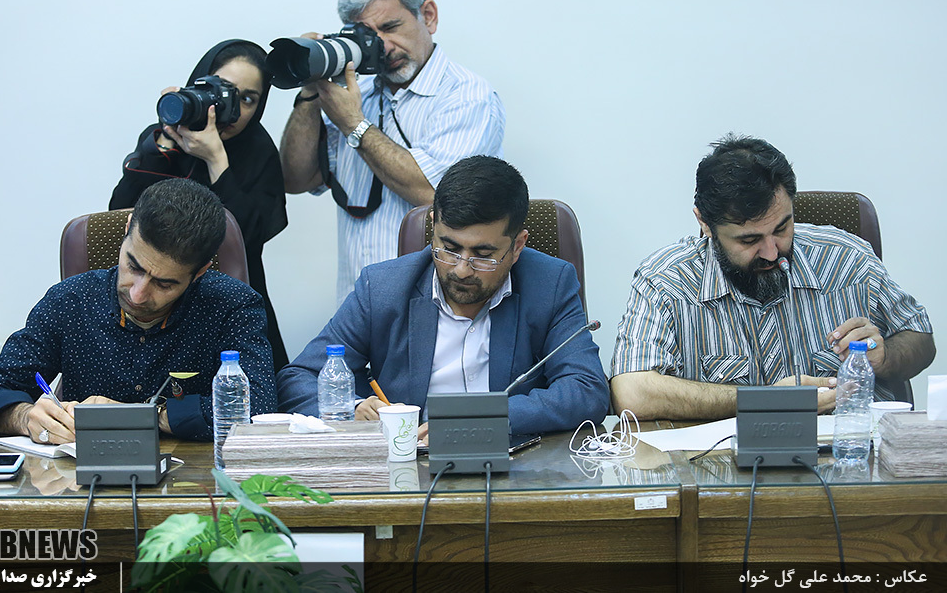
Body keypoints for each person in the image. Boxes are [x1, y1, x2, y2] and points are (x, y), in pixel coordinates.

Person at [610, 134, 935, 420]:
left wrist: (885, 357)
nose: (771, 252)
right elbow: (632, 392)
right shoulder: (665, 281)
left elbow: (920, 337)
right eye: (749, 240)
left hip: (848, 456)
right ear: (705, 224)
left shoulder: (848, 259)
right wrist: (766, 401)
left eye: (781, 228)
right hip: (722, 465)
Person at [277, 156, 608, 435]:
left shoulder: (549, 283)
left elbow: (586, 389)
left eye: (483, 255)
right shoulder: (382, 287)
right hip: (410, 463)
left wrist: (482, 418)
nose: (461, 269)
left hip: (514, 464)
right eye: (448, 248)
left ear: (517, 245)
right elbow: (299, 379)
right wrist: (352, 408)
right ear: (434, 226)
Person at [0, 179, 277, 443]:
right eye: (134, 266)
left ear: (200, 272)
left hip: (195, 481)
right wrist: (24, 416)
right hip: (81, 482)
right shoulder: (70, 301)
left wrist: (144, 415)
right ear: (128, 230)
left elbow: (259, 408)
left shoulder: (233, 306)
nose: (138, 294)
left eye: (164, 284)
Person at [279, 0, 506, 301]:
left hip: (436, 309)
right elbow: (296, 179)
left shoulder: (468, 96)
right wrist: (311, 90)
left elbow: (436, 193)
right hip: (358, 306)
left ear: (428, 16)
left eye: (390, 27)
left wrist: (355, 125)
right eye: (368, 35)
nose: (382, 46)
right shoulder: (354, 96)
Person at [110, 39, 290, 367]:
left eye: (247, 99)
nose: (232, 107)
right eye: (223, 90)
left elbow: (246, 240)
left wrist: (216, 158)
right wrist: (163, 145)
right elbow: (120, 215)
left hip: (232, 306)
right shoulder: (164, 136)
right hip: (153, 303)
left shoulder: (258, 150)